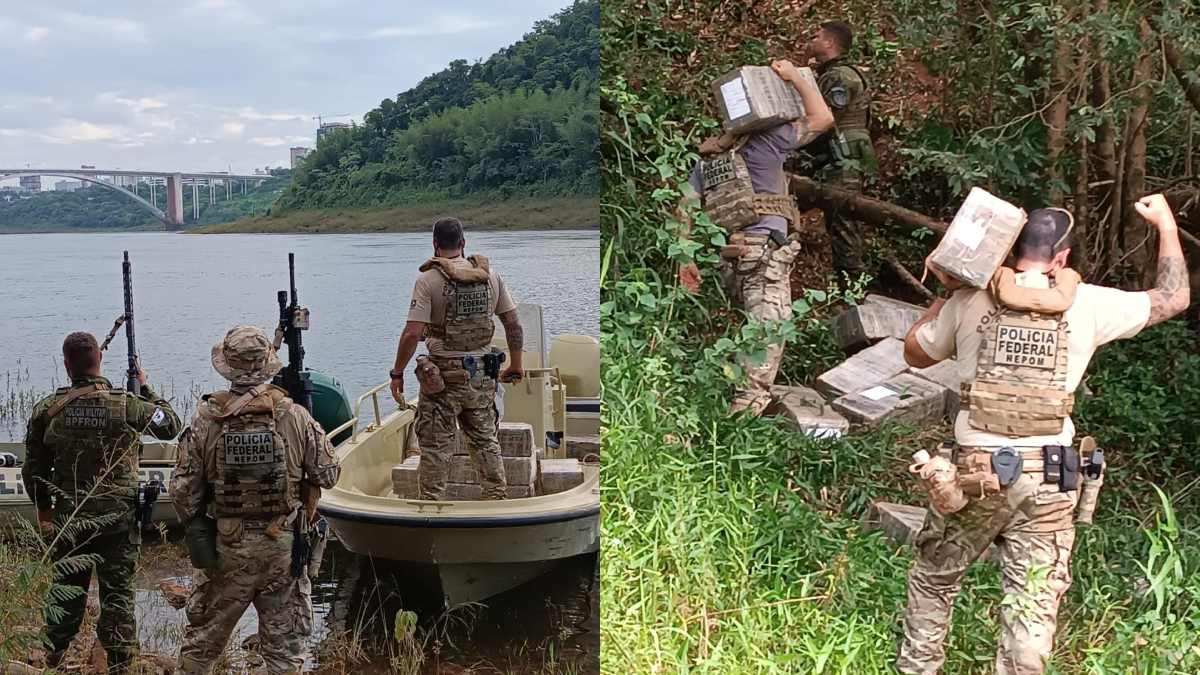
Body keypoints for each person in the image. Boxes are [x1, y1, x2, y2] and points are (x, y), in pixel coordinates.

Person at [896, 194, 1190, 674]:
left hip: (972, 476)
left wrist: (948, 289)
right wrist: (1166, 226)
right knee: (1033, 598)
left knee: (934, 580)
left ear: (1009, 253)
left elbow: (915, 353)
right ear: (1062, 259)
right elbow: (1173, 298)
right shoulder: (1091, 303)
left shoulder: (970, 301)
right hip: (1051, 479)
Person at [171, 325, 340, 674]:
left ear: (227, 366)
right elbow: (328, 474)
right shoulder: (294, 416)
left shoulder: (207, 420)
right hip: (283, 549)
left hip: (226, 549)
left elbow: (183, 492)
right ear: (267, 365)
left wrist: (204, 529)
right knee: (285, 655)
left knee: (201, 648)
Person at [677, 58, 834, 416]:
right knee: (765, 339)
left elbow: (683, 208)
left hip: (731, 259)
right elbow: (823, 119)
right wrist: (796, 77)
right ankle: (741, 426)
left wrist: (685, 260)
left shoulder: (709, 161)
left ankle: (728, 402)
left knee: (749, 336)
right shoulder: (768, 141)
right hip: (765, 256)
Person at [23, 331, 181, 673]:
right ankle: (122, 666)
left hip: (71, 519)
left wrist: (45, 512)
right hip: (117, 521)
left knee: (65, 595)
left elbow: (33, 469)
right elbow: (169, 426)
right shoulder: (127, 404)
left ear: (66, 365)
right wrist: (145, 387)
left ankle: (48, 661)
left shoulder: (48, 409)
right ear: (100, 360)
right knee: (118, 599)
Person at [389, 217, 526, 500]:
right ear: (463, 243)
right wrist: (516, 364)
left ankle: (431, 506)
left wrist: (397, 372)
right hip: (480, 378)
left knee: (436, 448)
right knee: (486, 442)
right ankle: (496, 501)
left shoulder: (428, 280)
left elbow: (412, 334)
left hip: (441, 380)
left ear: (435, 245)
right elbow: (513, 324)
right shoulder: (491, 277)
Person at [802, 20, 876, 280]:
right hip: (834, 162)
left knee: (845, 231)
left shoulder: (840, 76)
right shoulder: (833, 74)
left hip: (841, 163)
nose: (811, 39)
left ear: (830, 43)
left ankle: (854, 297)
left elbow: (824, 119)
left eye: (816, 35)